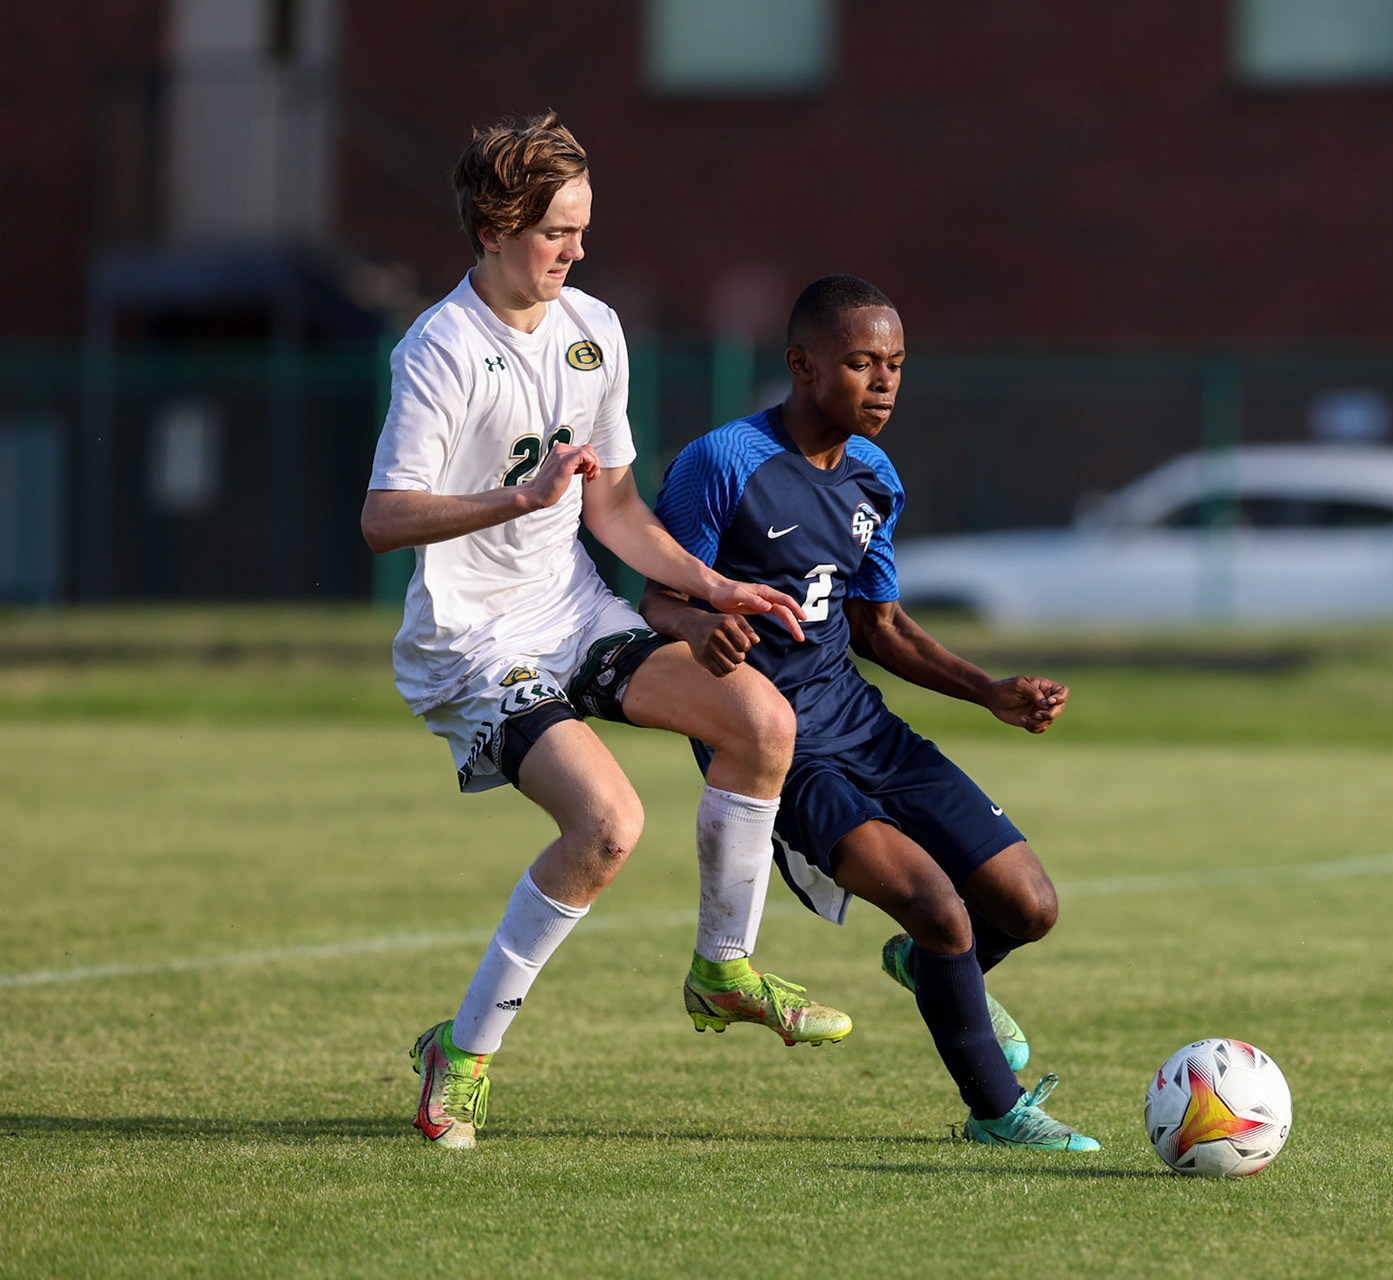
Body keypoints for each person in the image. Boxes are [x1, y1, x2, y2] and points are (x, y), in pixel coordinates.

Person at [361, 113, 850, 1151]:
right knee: (608, 828)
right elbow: (384, 517)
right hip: (475, 643)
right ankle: (463, 1052)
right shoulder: (440, 349)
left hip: (575, 610)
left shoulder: (595, 327)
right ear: (494, 229)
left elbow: (616, 510)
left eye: (583, 228)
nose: (576, 250)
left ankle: (724, 969)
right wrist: (518, 496)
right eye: (555, 232)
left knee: (759, 720)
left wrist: (716, 585)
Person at [640, 275, 1098, 1151]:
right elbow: (656, 597)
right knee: (938, 906)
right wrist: (702, 625)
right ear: (801, 365)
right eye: (861, 363)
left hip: (862, 723)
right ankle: (999, 1115)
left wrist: (990, 690)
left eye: (894, 365)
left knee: (1028, 907)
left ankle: (930, 968)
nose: (883, 382)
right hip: (774, 747)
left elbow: (876, 625)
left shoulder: (874, 475)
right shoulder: (721, 463)